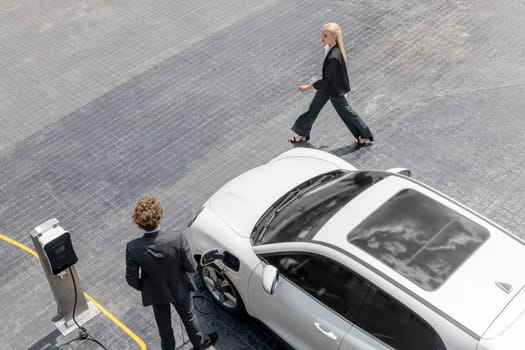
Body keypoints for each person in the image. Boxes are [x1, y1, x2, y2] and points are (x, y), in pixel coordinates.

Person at [125, 196, 218, 350]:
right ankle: (200, 343)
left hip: (156, 293)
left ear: (139, 222)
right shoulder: (177, 238)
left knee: (164, 326)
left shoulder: (133, 247)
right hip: (180, 286)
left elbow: (131, 278)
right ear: (159, 215)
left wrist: (146, 286)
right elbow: (191, 267)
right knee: (189, 318)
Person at [290, 22, 374, 146]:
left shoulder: (334, 56)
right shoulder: (330, 48)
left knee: (346, 112)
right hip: (327, 87)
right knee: (313, 109)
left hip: (334, 89)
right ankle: (301, 133)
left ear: (334, 37)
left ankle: (364, 134)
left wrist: (308, 87)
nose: (322, 38)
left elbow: (326, 80)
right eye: (322, 34)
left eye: (325, 36)